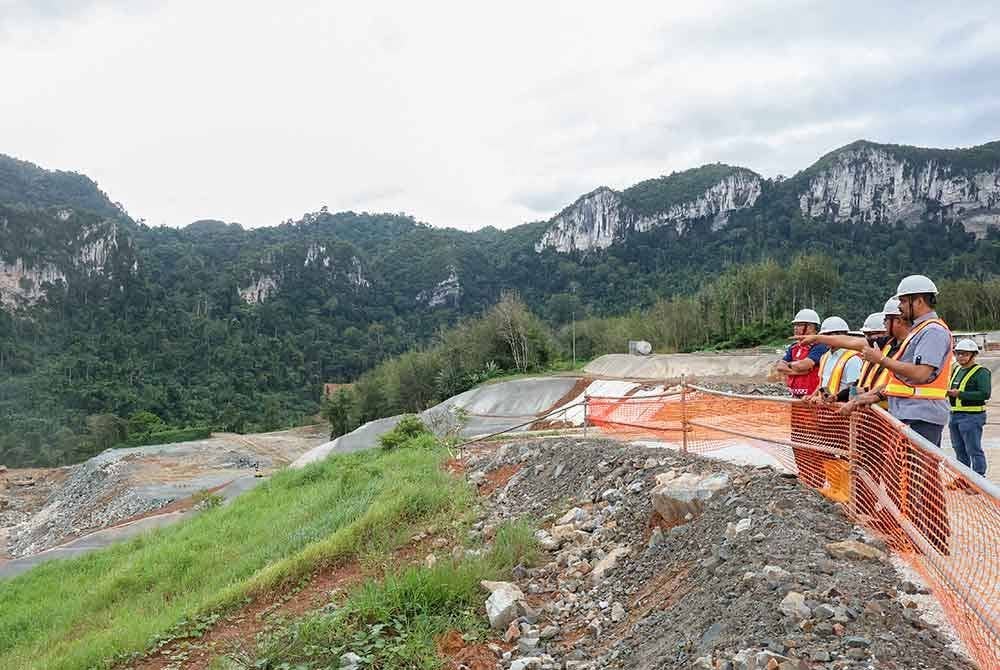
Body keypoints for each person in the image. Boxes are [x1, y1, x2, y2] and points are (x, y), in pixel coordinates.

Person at [948, 339, 991, 477]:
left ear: (973, 355)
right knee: (959, 449)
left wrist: (960, 394)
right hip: (955, 415)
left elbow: (985, 393)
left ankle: (979, 478)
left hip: (972, 417)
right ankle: (964, 478)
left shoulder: (981, 372)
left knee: (973, 449)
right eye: (958, 354)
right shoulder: (956, 370)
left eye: (965, 354)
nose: (960, 357)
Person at [776, 309, 828, 398]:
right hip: (796, 395)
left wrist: (788, 366)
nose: (795, 328)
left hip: (811, 397)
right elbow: (780, 367)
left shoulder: (820, 346)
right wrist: (799, 372)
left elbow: (805, 365)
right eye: (795, 325)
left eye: (799, 325)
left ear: (811, 327)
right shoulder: (794, 347)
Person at [807, 316, 862, 400]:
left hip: (843, 409)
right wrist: (812, 397)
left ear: (841, 335)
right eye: (823, 335)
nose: (824, 338)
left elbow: (854, 389)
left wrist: (835, 398)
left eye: (828, 335)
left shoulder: (853, 359)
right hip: (826, 410)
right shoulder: (825, 357)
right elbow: (822, 385)